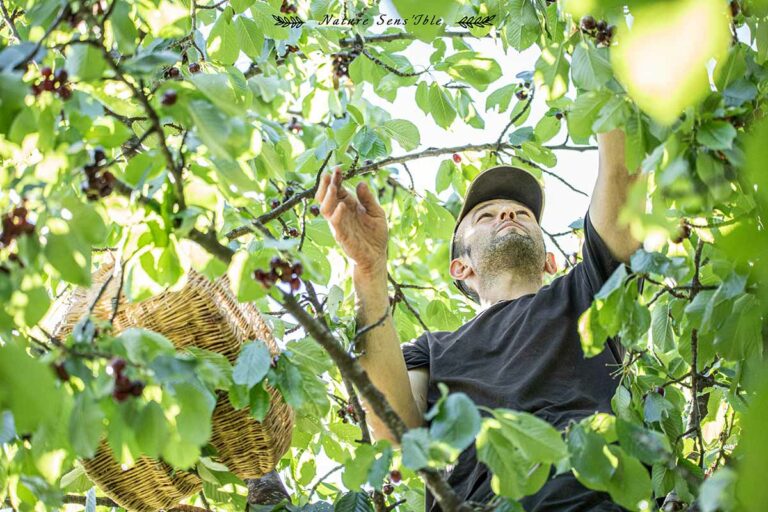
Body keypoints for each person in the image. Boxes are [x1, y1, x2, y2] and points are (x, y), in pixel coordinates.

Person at [313, 128, 644, 511]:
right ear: (460, 267)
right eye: (486, 215)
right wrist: (369, 270)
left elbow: (623, 172)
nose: (508, 213)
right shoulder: (433, 349)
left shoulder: (588, 292)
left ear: (549, 261)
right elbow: (393, 430)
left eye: (523, 214)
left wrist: (613, 80)